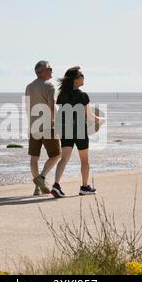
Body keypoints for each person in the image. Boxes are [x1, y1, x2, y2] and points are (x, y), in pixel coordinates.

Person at [51, 66, 105, 198]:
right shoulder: (83, 95)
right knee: (84, 160)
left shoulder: (62, 95)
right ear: (75, 79)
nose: (83, 77)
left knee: (64, 159)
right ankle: (84, 187)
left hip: (65, 130)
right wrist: (101, 120)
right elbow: (90, 116)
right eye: (81, 75)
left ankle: (56, 185)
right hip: (80, 130)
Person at [25, 61, 61, 196]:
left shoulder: (29, 87)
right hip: (47, 125)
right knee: (57, 154)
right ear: (42, 72)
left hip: (33, 125)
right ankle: (41, 178)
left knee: (34, 157)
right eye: (50, 68)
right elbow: (52, 106)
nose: (52, 70)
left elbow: (28, 107)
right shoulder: (49, 85)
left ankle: (37, 188)